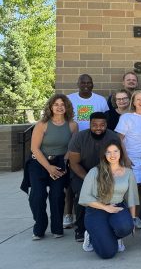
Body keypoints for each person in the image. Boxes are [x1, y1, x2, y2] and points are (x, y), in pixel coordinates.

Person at [26, 94, 78, 240]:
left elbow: (72, 147)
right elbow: (34, 148)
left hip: (60, 163)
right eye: (56, 104)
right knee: (37, 196)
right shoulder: (42, 124)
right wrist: (49, 168)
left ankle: (57, 228)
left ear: (67, 107)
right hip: (39, 163)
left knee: (57, 196)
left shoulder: (73, 125)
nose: (59, 107)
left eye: (63, 104)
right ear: (50, 107)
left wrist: (65, 162)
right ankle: (39, 228)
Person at [79, 141, 138, 258]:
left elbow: (131, 197)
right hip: (96, 209)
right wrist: (105, 207)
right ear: (104, 155)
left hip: (117, 206)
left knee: (126, 226)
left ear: (121, 152)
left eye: (115, 151)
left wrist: (133, 219)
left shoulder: (128, 173)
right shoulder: (94, 171)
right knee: (108, 253)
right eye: (108, 152)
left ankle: (115, 237)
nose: (113, 155)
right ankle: (91, 236)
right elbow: (84, 197)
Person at [68, 112, 120, 242]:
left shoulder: (113, 137)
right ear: (90, 124)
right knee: (82, 195)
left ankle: (109, 226)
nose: (98, 128)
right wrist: (90, 179)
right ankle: (81, 229)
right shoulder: (79, 138)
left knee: (114, 194)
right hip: (82, 173)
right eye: (95, 125)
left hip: (107, 174)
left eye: (102, 125)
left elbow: (117, 160)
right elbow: (74, 163)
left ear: (106, 125)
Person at [115, 90, 141, 229]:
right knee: (133, 189)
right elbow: (119, 139)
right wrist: (125, 158)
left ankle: (140, 215)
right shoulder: (127, 117)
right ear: (133, 102)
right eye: (138, 99)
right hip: (131, 158)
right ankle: (132, 216)